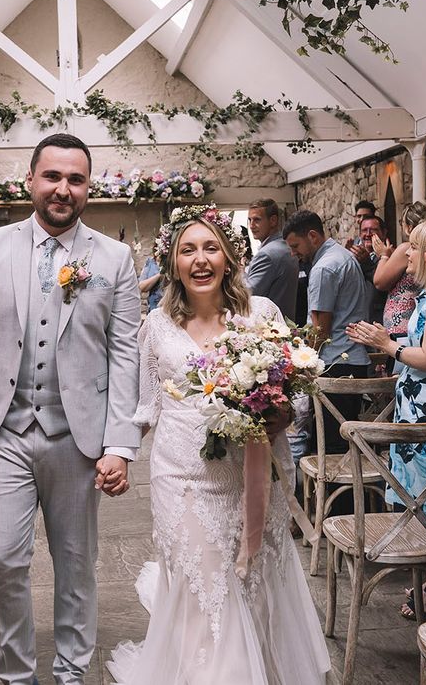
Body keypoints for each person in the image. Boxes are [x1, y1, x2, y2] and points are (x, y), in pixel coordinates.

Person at [0, 133, 141, 685]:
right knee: (1, 558)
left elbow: (125, 354)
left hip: (77, 434)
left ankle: (72, 673)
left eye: (75, 179)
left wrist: (120, 443)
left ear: (88, 187)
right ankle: (16, 675)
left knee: (76, 562)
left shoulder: (114, 259)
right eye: (52, 176)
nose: (63, 189)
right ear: (31, 180)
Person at [107, 204, 330, 684]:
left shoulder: (262, 316)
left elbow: (299, 403)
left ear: (229, 256)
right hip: (180, 477)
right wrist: (117, 454)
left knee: (253, 585)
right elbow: (145, 408)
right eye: (188, 250)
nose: (201, 259)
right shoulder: (156, 328)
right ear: (172, 263)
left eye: (211, 247)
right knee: (203, 587)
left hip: (251, 478)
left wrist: (276, 413)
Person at [347, 220, 426, 619]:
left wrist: (387, 345)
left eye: (414, 249)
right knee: (419, 498)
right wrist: (383, 341)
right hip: (417, 411)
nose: (408, 255)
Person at [283, 210, 370, 452]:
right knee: (346, 441)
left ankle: (334, 489)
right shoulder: (343, 256)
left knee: (332, 445)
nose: (293, 253)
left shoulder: (324, 268)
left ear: (312, 236)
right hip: (354, 359)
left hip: (335, 364)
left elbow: (320, 330)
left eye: (295, 246)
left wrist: (301, 362)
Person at [372, 202, 426, 367]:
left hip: (401, 323)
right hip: (411, 320)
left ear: (408, 226)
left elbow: (380, 281)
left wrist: (384, 256)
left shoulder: (405, 249)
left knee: (398, 370)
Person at [245, 198, 299, 320]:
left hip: (269, 327)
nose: (252, 225)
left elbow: (247, 295)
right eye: (250, 220)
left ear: (273, 220)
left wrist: (238, 269)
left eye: (257, 220)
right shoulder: (284, 246)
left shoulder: (267, 254)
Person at [138, 244, 164, 313]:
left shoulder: (174, 263)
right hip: (153, 308)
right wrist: (159, 275)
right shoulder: (150, 262)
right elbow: (142, 286)